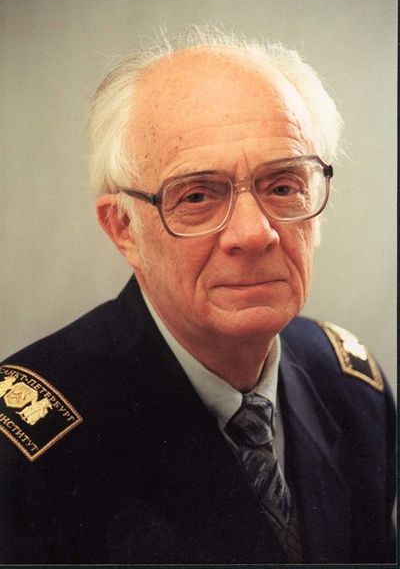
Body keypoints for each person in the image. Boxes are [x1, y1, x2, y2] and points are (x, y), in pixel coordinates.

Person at [0, 28, 395, 564]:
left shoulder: (354, 390)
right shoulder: (28, 453)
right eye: (197, 196)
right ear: (123, 228)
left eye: (283, 186)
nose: (254, 233)